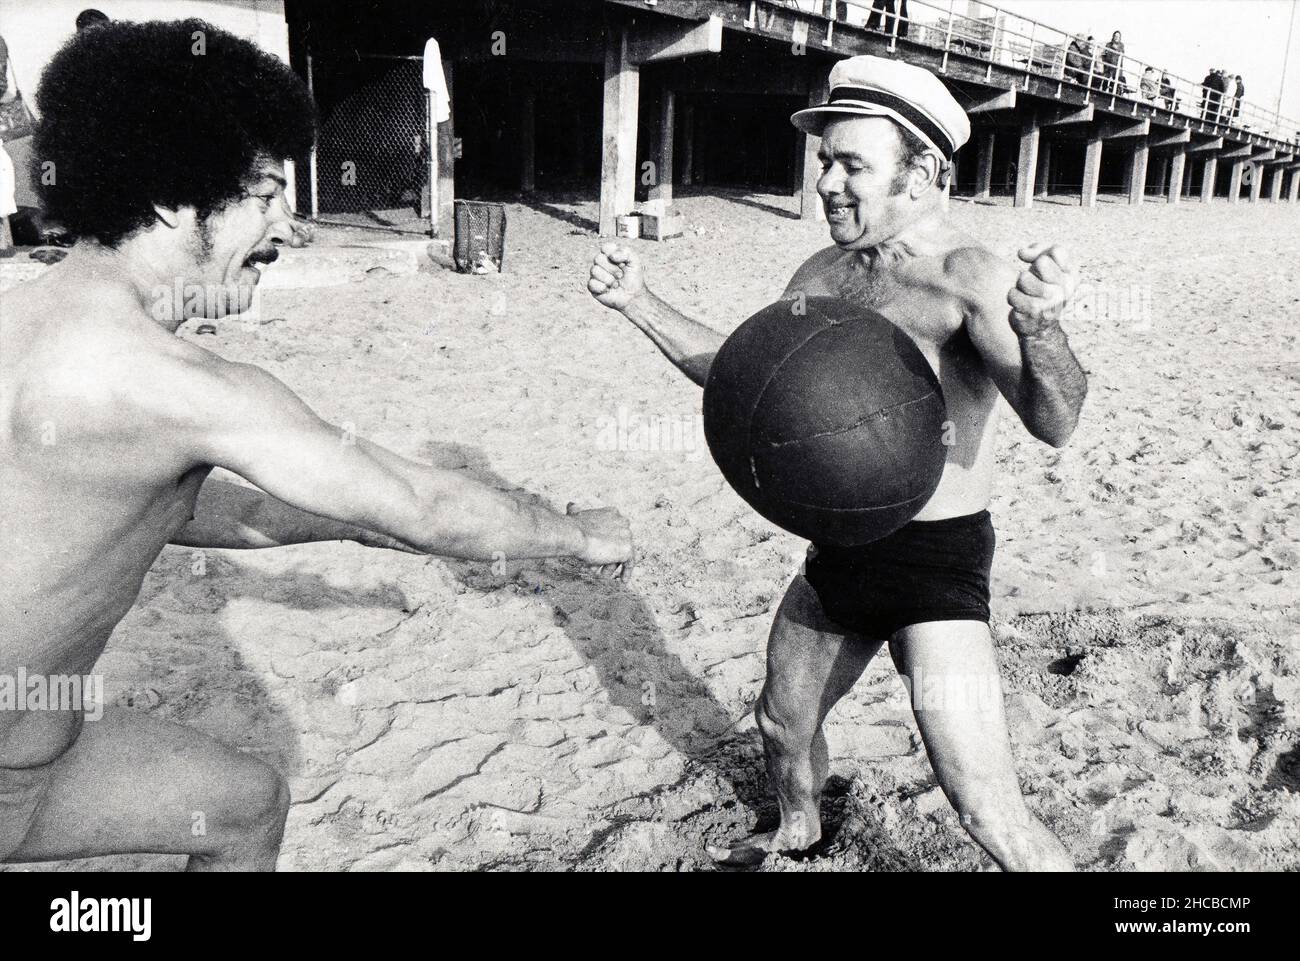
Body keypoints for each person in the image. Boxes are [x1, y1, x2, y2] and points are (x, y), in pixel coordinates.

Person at [0, 19, 633, 871]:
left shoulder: (28, 325)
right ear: (167, 196)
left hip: (22, 774)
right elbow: (433, 508)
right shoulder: (181, 384)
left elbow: (132, 504)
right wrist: (583, 535)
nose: (286, 228)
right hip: (14, 769)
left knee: (242, 805)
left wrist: (349, 521)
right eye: (262, 194)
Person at [588, 55, 1086, 871]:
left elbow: (1055, 421)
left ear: (920, 172)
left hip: (936, 562)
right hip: (841, 552)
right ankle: (799, 830)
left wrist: (1041, 332)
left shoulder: (971, 280)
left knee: (987, 809)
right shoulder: (822, 274)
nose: (827, 181)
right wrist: (638, 302)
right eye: (825, 160)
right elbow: (754, 380)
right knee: (781, 724)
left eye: (853, 163)